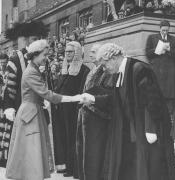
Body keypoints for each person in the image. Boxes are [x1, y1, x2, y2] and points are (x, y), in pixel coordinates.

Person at [80, 43, 175, 180]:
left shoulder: (139, 69)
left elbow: (153, 102)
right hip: (130, 133)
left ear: (112, 58)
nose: (104, 70)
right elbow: (115, 101)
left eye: (104, 65)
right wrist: (94, 99)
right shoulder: (119, 72)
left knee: (150, 170)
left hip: (146, 131)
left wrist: (151, 130)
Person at [5, 39, 82, 180]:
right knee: (32, 155)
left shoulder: (33, 69)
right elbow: (48, 94)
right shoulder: (31, 73)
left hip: (33, 111)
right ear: (35, 55)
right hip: (30, 114)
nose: (46, 58)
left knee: (32, 154)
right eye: (44, 55)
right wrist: (74, 98)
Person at [76, 43, 114, 180]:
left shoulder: (107, 71)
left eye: (94, 51)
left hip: (98, 119)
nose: (90, 53)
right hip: (87, 115)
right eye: (90, 51)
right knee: (85, 153)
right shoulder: (94, 70)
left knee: (94, 155)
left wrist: (91, 101)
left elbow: (107, 95)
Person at [52, 41, 90, 178]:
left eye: (70, 51)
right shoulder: (64, 68)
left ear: (77, 53)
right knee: (63, 137)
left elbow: (82, 91)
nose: (67, 54)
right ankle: (65, 165)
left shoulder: (84, 70)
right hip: (61, 110)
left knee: (73, 138)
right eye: (66, 51)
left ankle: (74, 168)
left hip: (74, 111)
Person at [146, 20, 175, 117]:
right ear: (159, 28)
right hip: (157, 70)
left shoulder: (174, 39)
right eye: (163, 30)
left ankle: (169, 115)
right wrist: (157, 49)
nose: (165, 32)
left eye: (167, 30)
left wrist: (169, 50)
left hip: (170, 71)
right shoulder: (152, 37)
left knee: (169, 94)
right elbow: (148, 53)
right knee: (156, 94)